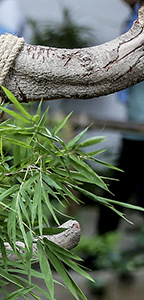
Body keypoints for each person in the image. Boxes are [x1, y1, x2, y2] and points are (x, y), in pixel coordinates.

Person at [97, 0, 144, 235]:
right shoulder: (132, 17)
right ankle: (101, 248)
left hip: (139, 123)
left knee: (121, 190)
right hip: (134, 123)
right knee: (120, 189)